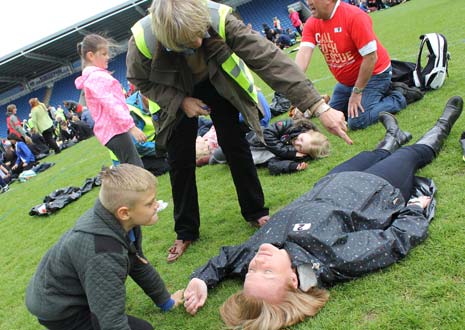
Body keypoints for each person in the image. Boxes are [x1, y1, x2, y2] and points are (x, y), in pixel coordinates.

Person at [183, 96, 463, 329]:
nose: (258, 260)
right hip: (376, 190)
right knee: (411, 155)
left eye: (250, 272)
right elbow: (394, 241)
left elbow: (226, 258)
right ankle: (443, 123)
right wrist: (415, 210)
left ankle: (393, 136)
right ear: (293, 280)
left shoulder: (255, 256)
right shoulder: (332, 259)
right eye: (265, 271)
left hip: (331, 183)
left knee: (372, 155)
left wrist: (201, 279)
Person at [126, 0, 351, 262]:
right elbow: (139, 80)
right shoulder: (142, 40)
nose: (198, 43)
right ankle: (185, 230)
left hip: (217, 82)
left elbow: (269, 60)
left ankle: (255, 211)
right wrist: (180, 102)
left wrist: (319, 106)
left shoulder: (220, 19)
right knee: (179, 161)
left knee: (236, 145)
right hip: (173, 94)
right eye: (189, 41)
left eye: (201, 34)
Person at [25, 164, 184, 330]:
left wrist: (167, 302)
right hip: (60, 309)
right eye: (149, 203)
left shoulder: (121, 222)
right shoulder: (104, 253)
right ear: (124, 212)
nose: (156, 205)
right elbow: (110, 320)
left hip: (70, 291)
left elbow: (137, 263)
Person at [295, 0, 419, 130]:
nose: (308, 2)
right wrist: (295, 90)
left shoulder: (353, 16)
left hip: (375, 75)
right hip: (347, 83)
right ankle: (378, 96)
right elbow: (303, 55)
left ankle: (400, 96)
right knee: (333, 115)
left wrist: (357, 92)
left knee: (357, 121)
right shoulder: (312, 23)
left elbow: (371, 57)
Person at [75, 34, 147, 167]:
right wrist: (132, 127)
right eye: (103, 54)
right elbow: (111, 105)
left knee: (131, 169)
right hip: (114, 130)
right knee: (137, 170)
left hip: (112, 131)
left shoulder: (93, 77)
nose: (108, 57)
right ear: (91, 56)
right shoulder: (97, 78)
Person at [212, 118, 330, 175]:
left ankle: (208, 158)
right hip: (250, 139)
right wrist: (287, 152)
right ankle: (208, 157)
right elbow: (267, 135)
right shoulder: (291, 125)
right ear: (307, 132)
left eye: (300, 147)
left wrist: (292, 166)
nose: (297, 143)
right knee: (217, 154)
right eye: (301, 139)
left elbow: (273, 165)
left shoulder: (296, 155)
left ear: (304, 153)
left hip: (249, 155)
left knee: (222, 156)